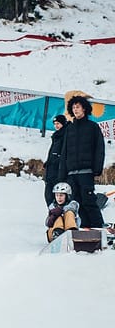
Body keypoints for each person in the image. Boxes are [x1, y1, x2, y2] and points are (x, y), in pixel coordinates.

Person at [58, 95, 105, 228]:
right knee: (76, 203)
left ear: (84, 108)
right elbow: (64, 152)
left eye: (77, 107)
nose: (75, 109)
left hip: (86, 172)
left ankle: (98, 228)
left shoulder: (93, 127)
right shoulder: (69, 128)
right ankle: (85, 228)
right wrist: (62, 175)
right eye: (73, 107)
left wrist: (97, 168)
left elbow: (99, 149)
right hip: (71, 173)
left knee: (88, 201)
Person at [42, 114, 68, 206]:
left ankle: (58, 214)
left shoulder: (65, 135)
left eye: (58, 123)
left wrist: (57, 160)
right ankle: (53, 213)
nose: (56, 126)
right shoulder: (56, 136)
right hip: (51, 170)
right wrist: (48, 162)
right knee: (48, 195)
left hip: (58, 171)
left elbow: (64, 153)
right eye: (55, 124)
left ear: (63, 123)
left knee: (57, 196)